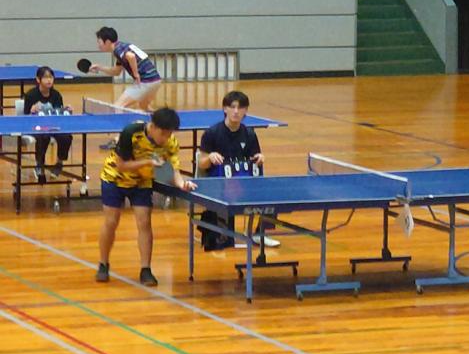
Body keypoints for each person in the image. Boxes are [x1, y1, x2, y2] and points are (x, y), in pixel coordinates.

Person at [96, 108, 196, 286]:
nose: (166, 138)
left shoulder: (170, 142)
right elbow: (121, 165)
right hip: (114, 178)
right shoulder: (131, 133)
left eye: (170, 134)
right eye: (163, 133)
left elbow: (173, 169)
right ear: (153, 127)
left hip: (142, 181)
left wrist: (182, 184)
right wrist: (148, 162)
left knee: (144, 223)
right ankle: (103, 264)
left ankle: (146, 269)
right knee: (111, 222)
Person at [197, 90, 280, 248]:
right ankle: (223, 234)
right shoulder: (212, 133)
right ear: (225, 109)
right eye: (232, 107)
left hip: (243, 183)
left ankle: (260, 233)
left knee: (272, 194)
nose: (236, 111)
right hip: (219, 185)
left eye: (240, 108)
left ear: (245, 111)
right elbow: (201, 164)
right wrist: (210, 157)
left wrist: (260, 158)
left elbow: (254, 158)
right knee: (223, 243)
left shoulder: (249, 134)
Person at [90, 27, 161, 111]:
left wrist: (136, 74)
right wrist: (99, 67)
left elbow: (131, 56)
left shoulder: (118, 49)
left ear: (108, 42)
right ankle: (159, 119)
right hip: (156, 80)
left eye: (99, 42)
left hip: (146, 81)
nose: (98, 45)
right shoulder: (122, 47)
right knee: (144, 107)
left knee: (117, 107)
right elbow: (116, 72)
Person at [23, 66, 73, 183]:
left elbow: (59, 114)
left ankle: (59, 163)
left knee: (66, 137)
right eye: (45, 77)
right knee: (43, 137)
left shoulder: (56, 95)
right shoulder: (31, 95)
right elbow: (25, 117)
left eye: (51, 77)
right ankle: (39, 165)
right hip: (35, 127)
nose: (49, 80)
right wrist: (31, 110)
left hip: (53, 126)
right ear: (38, 79)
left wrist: (67, 110)